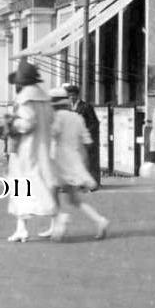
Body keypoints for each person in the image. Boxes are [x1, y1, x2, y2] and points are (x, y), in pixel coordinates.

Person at [44, 87, 109, 241]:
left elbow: (52, 135)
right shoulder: (77, 117)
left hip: (59, 160)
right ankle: (99, 220)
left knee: (50, 190)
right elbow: (87, 141)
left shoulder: (57, 117)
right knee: (74, 199)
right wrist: (83, 163)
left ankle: (60, 219)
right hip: (75, 159)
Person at [4, 60, 58, 242]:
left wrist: (12, 123)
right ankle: (53, 223)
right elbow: (51, 120)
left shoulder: (24, 99)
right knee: (42, 182)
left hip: (26, 149)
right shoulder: (43, 98)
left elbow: (27, 123)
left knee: (22, 185)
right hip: (43, 146)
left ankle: (23, 228)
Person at [66, 83, 101, 190]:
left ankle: (93, 183)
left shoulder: (86, 107)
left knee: (88, 161)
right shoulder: (68, 108)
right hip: (73, 139)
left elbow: (94, 123)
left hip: (85, 139)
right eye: (69, 95)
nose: (72, 97)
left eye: (74, 95)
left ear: (77, 95)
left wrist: (86, 133)